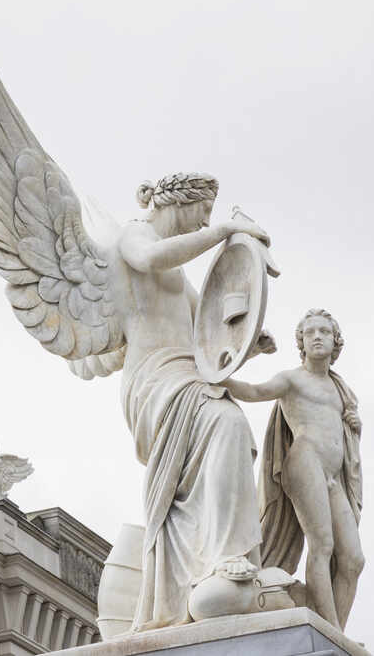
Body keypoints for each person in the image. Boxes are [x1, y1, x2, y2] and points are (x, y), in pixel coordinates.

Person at [115, 173, 274, 630]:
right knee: (225, 422)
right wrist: (221, 233)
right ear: (181, 205)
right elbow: (149, 258)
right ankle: (227, 556)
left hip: (188, 372)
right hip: (154, 380)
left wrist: (245, 339)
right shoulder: (136, 235)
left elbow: (205, 326)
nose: (203, 223)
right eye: (201, 214)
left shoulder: (180, 273)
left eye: (208, 218)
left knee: (228, 427)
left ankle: (212, 561)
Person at [218, 309, 364, 630]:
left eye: (324, 331)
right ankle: (330, 630)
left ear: (335, 341)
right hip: (305, 460)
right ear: (301, 342)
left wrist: (355, 428)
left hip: (332, 475)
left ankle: (334, 630)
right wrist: (220, 375)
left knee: (353, 560)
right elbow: (255, 392)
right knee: (322, 545)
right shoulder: (291, 379)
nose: (316, 336)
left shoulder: (341, 390)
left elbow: (345, 439)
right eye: (309, 332)